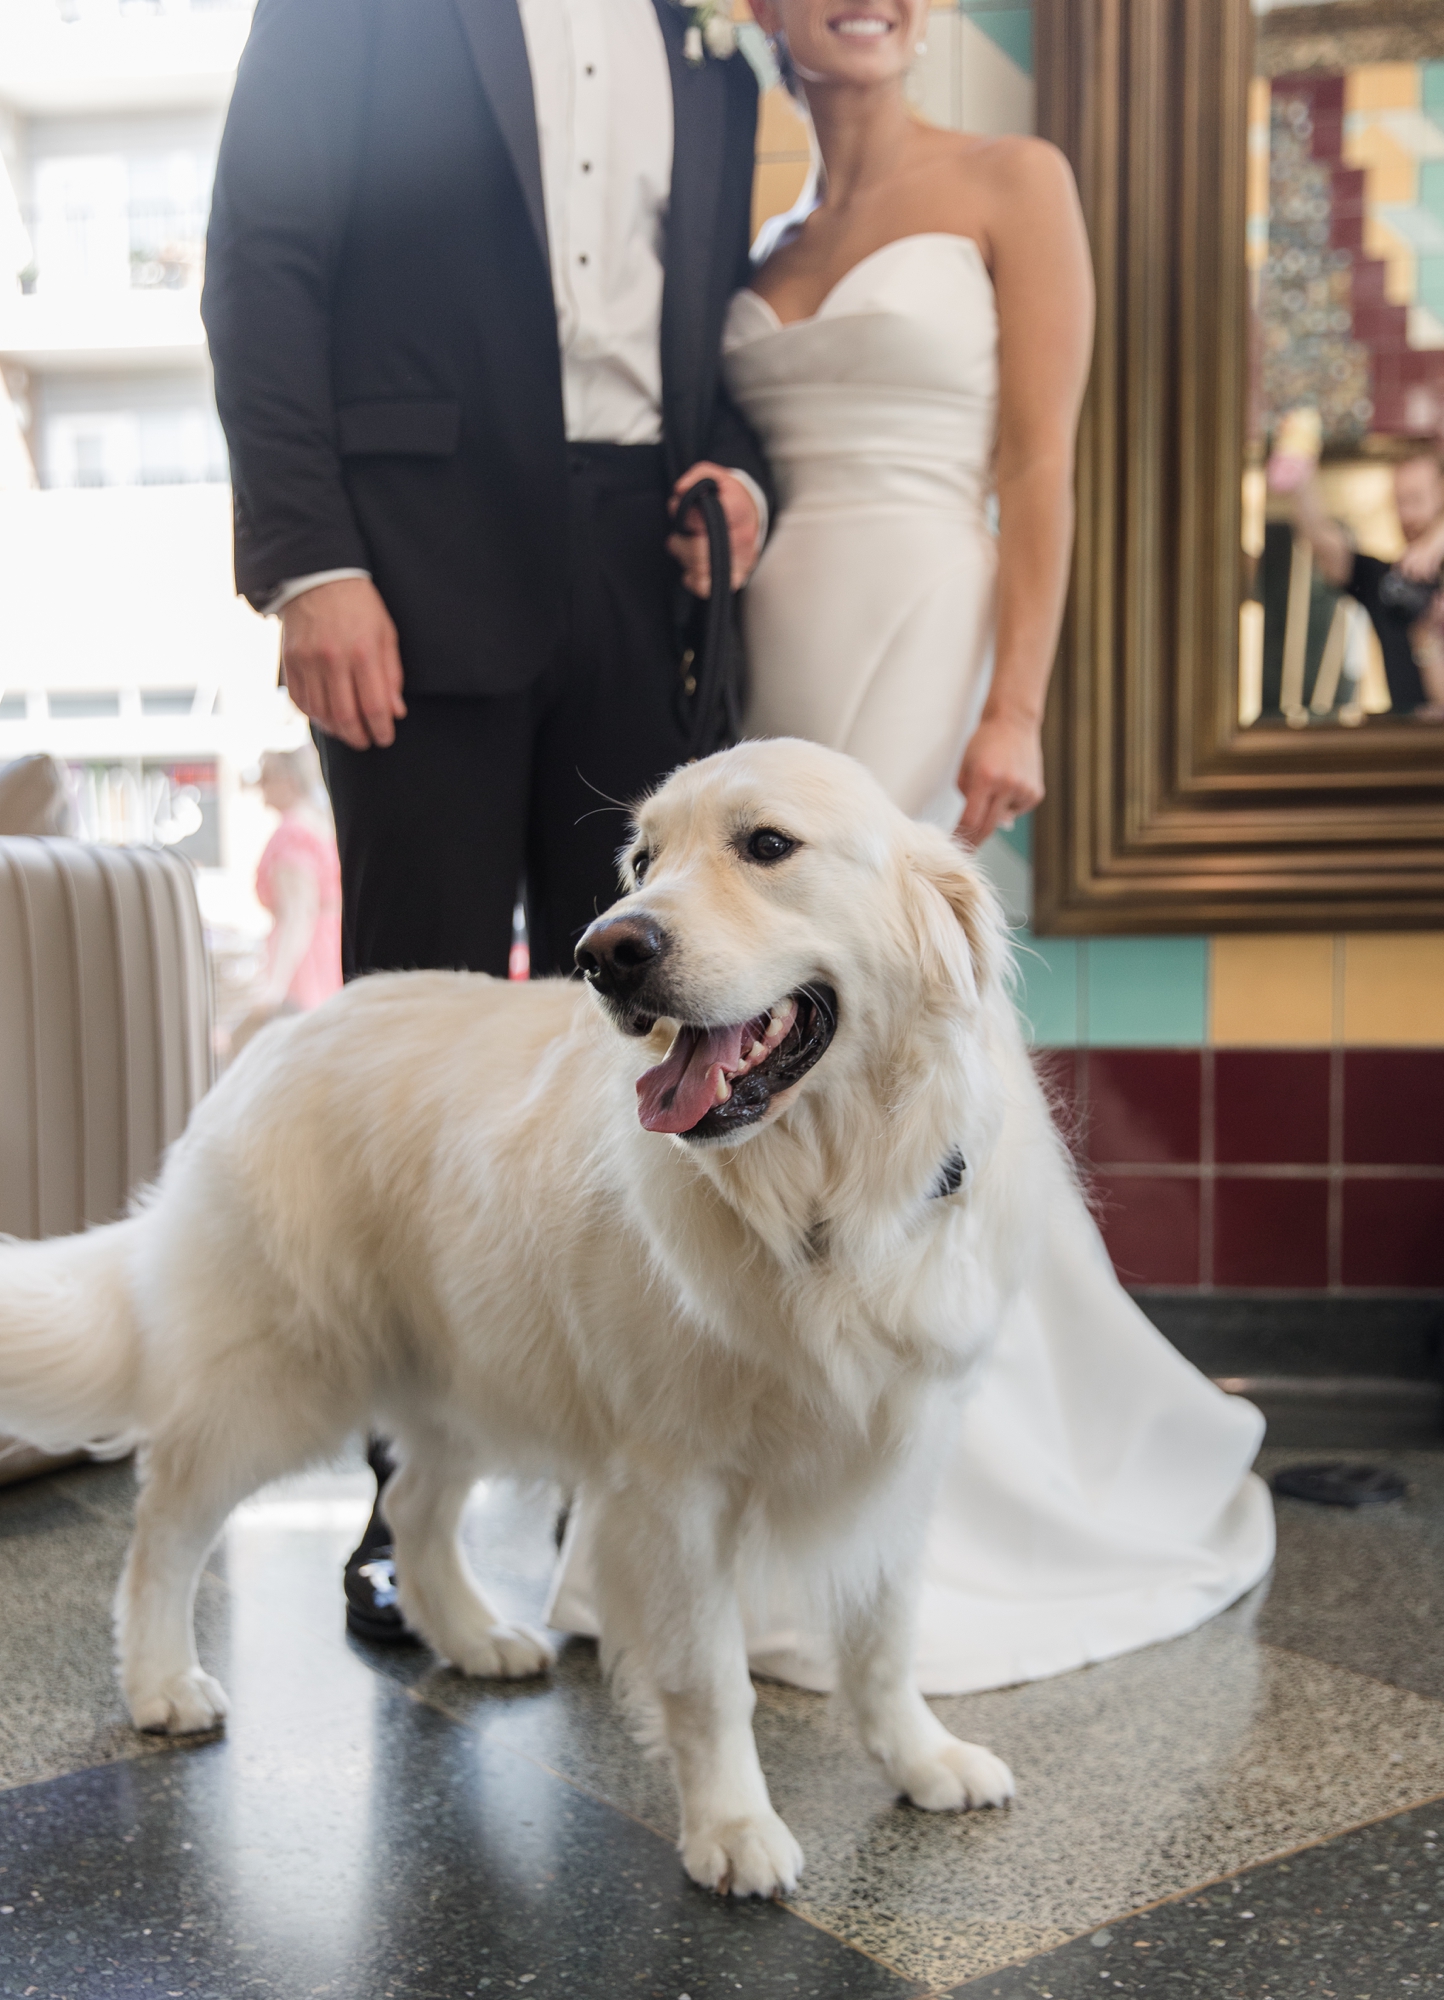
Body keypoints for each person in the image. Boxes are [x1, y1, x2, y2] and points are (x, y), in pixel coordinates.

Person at [548, 0, 1275, 1695]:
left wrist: (1014, 704)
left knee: (907, 1001)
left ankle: (944, 1490)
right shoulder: (756, 236)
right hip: (767, 638)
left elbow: (1043, 463)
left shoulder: (1017, 177)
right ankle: (750, 1438)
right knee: (767, 994)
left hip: (929, 607)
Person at [202, 0, 773, 1640]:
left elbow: (702, 332)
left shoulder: (710, 43)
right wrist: (310, 564)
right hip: (411, 565)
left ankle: (623, 1517)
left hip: (645, 578)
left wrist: (741, 476)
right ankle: (408, 1517)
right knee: (417, 1053)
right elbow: (261, 259)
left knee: (650, 1046)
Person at [1283, 445, 1444, 720]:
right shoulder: (1390, 584)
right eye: (1399, 503)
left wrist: (1436, 541)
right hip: (1407, 738)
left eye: (1416, 500)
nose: (1406, 515)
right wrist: (1299, 468)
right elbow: (1323, 543)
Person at [230, 747, 343, 1055]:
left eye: (266, 779)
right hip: (329, 947)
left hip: (306, 959)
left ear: (288, 781)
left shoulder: (293, 834)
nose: (261, 788)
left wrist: (275, 986)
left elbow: (298, 913)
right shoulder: (320, 824)